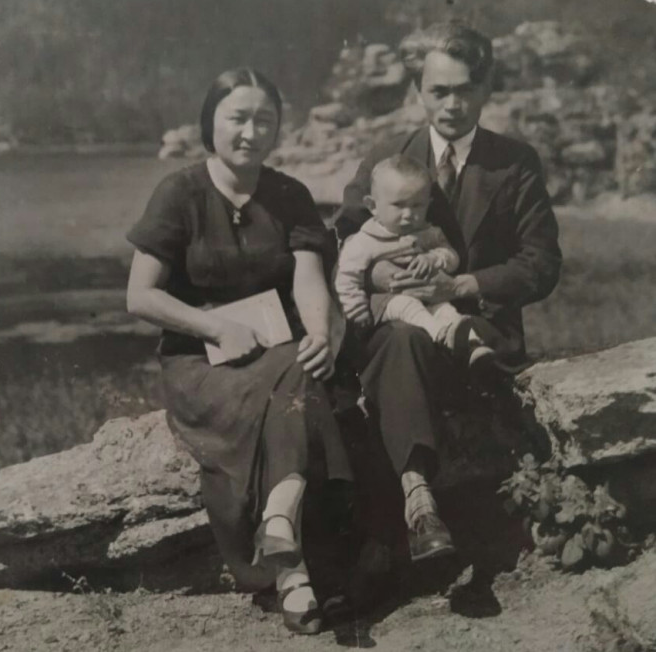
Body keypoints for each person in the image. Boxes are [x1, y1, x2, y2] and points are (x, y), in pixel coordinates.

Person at [126, 68, 353, 635]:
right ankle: (290, 558)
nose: (251, 132)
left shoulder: (290, 195)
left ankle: (283, 536)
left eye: (264, 121)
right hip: (200, 361)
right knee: (297, 387)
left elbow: (308, 279)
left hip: (275, 351)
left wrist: (320, 334)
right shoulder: (179, 193)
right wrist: (214, 328)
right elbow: (140, 295)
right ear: (212, 123)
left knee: (301, 365)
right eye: (238, 118)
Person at [334, 22, 562, 562]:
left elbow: (542, 262)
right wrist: (381, 278)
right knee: (400, 340)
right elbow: (341, 241)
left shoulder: (514, 163)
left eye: (465, 90)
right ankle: (420, 501)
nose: (452, 105)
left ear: (486, 90)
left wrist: (462, 283)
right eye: (439, 91)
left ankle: (396, 531)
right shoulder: (387, 157)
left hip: (478, 334)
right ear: (418, 91)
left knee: (405, 346)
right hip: (401, 331)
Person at [334, 154, 494, 366]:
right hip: (379, 305)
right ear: (373, 206)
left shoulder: (428, 232)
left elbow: (452, 257)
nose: (409, 214)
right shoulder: (365, 241)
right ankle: (440, 335)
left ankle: (472, 345)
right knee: (406, 304)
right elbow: (346, 278)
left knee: (446, 309)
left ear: (428, 204)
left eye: (417, 206)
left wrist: (433, 258)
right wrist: (357, 311)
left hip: (426, 298)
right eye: (398, 205)